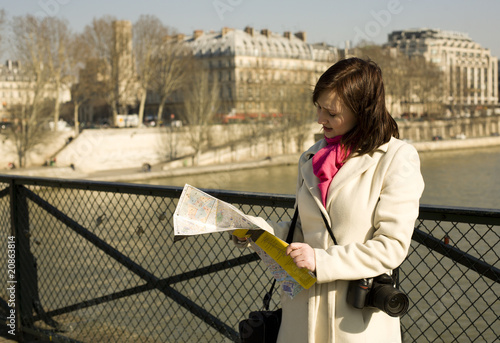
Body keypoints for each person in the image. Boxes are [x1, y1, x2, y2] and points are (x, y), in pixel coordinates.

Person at [233, 57, 424, 342]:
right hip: (300, 319)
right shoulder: (311, 157)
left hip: (352, 322)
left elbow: (391, 247)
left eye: (331, 113)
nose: (320, 119)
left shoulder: (397, 158)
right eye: (319, 108)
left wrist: (320, 261)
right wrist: (256, 231)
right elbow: (303, 234)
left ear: (363, 111)